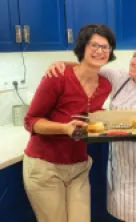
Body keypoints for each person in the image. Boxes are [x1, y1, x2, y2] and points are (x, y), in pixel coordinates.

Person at [46, 41, 136, 222]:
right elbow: (87, 68)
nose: (133, 62)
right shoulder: (120, 77)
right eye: (134, 56)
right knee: (121, 213)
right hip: (119, 159)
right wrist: (60, 63)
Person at [23, 24, 116, 222]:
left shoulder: (105, 85)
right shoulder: (57, 77)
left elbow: (87, 112)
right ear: (83, 47)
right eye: (94, 45)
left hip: (79, 167)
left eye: (105, 47)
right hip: (45, 167)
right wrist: (65, 128)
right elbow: (31, 120)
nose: (99, 51)